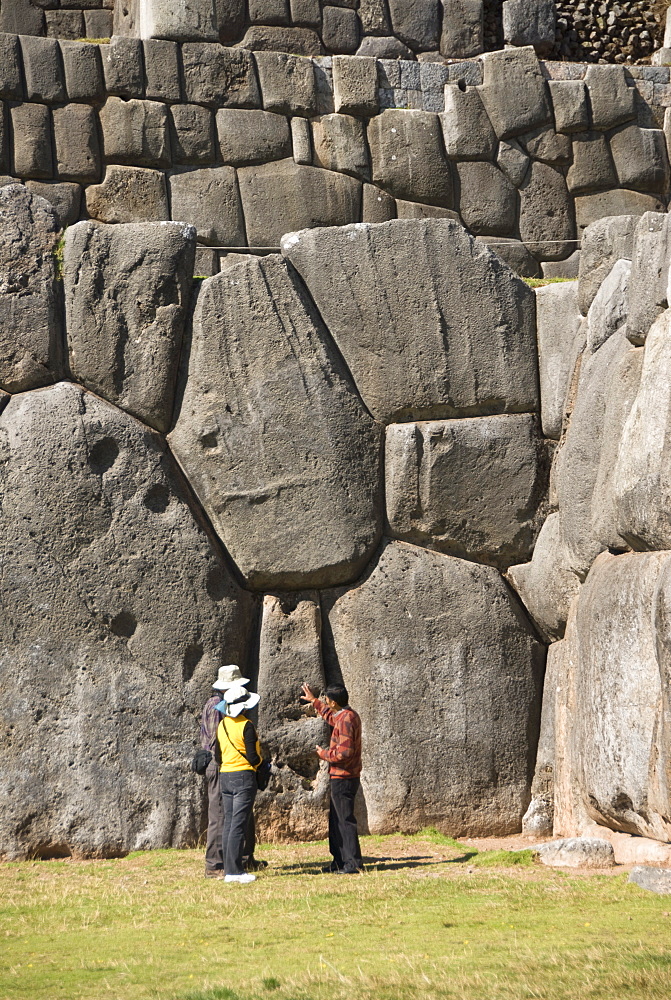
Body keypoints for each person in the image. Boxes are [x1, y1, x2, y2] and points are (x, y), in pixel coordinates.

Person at [199, 665, 266, 878]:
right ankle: (216, 865)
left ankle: (244, 859)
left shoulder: (225, 705)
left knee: (241, 816)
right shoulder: (216, 706)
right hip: (222, 764)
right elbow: (215, 742)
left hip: (228, 765)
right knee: (221, 817)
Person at [301, 682, 364, 874]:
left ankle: (352, 863)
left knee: (344, 820)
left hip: (344, 777)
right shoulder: (345, 715)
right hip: (341, 776)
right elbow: (331, 717)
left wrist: (324, 755)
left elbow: (344, 753)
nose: (326, 703)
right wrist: (315, 702)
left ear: (334, 702)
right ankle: (339, 861)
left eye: (327, 700)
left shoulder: (346, 719)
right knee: (337, 820)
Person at [217, 683, 263, 884]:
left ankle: (229, 869)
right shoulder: (247, 725)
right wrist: (263, 763)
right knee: (238, 824)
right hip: (243, 776)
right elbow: (253, 757)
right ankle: (235, 871)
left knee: (229, 823)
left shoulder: (222, 724)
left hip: (225, 775)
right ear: (244, 706)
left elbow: (218, 754)